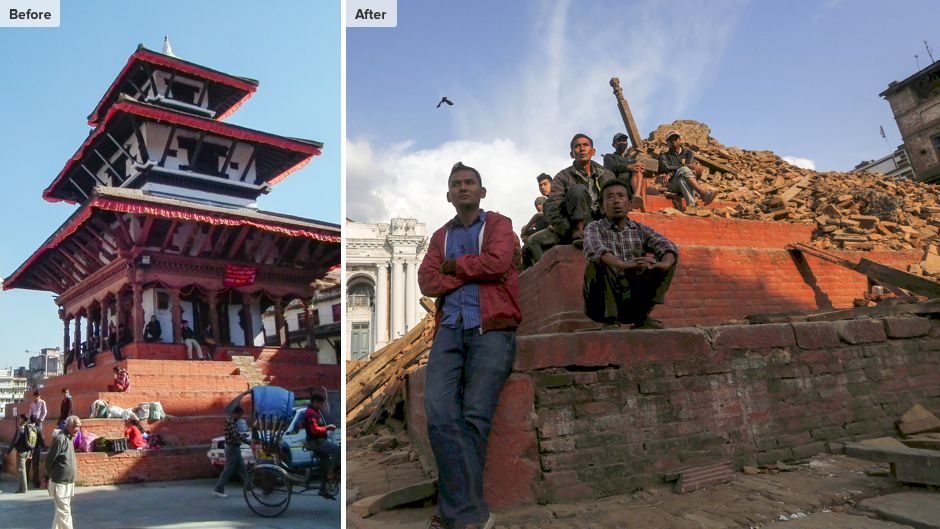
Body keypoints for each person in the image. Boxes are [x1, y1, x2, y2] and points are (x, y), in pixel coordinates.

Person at [418, 162, 521, 529]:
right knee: (439, 410)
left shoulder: (498, 225)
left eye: (469, 183)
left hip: (491, 327)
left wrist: (454, 268)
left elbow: (498, 262)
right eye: (456, 184)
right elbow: (426, 281)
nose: (463, 188)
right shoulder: (439, 237)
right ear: (448, 195)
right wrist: (465, 272)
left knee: (476, 416)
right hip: (450, 327)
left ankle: (459, 515)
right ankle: (471, 513)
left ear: (482, 191)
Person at [583, 179, 679, 329]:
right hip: (601, 304)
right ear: (602, 207)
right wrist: (625, 265)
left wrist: (663, 264)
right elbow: (595, 249)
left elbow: (667, 245)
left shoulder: (641, 230)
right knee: (599, 262)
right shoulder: (594, 227)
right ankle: (610, 320)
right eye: (610, 197)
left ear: (629, 204)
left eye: (621, 196)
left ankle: (642, 318)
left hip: (633, 298)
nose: (616, 201)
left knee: (669, 257)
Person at [525, 134, 616, 267]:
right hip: (573, 227)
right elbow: (553, 207)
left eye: (585, 145)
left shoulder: (607, 175)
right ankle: (578, 234)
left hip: (602, 223)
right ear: (572, 153)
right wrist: (566, 230)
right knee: (577, 190)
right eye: (577, 146)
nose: (582, 149)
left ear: (593, 151)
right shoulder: (562, 177)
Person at [658, 130, 716, 209]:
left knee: (683, 178)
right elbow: (666, 167)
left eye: (675, 138)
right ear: (667, 142)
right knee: (684, 169)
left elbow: (689, 170)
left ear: (680, 140)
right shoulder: (664, 155)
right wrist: (685, 166)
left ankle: (692, 205)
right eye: (670, 140)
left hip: (687, 182)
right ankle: (702, 193)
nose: (673, 141)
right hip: (672, 185)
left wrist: (671, 173)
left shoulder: (689, 153)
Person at [45, 415, 81, 529]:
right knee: (65, 513)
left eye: (79, 427)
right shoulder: (60, 438)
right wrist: (46, 476)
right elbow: (50, 459)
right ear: (68, 426)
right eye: (75, 427)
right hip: (59, 482)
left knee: (60, 512)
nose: (77, 430)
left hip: (68, 483)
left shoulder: (70, 437)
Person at [302, 393, 339, 499]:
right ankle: (331, 473)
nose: (322, 406)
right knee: (338, 450)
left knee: (325, 466)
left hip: (319, 441)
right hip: (316, 442)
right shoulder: (310, 413)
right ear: (315, 402)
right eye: (321, 403)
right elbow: (314, 430)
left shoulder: (315, 412)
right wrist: (327, 428)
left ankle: (323, 490)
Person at [603, 132, 647, 210]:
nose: (622, 142)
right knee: (637, 171)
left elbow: (637, 168)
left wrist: (642, 167)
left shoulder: (631, 159)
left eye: (624, 141)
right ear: (613, 145)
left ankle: (638, 199)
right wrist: (628, 167)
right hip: (619, 181)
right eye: (619, 141)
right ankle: (640, 203)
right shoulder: (609, 156)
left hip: (632, 184)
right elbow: (612, 167)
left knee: (639, 173)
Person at [213, 406, 248, 498]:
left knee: (242, 469)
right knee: (228, 470)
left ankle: (249, 488)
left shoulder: (232, 422)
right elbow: (235, 436)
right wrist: (245, 440)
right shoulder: (230, 422)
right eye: (239, 415)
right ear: (235, 413)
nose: (240, 417)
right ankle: (218, 489)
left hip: (235, 448)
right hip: (232, 448)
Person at [9, 414, 36, 493]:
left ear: (22, 419)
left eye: (20, 418)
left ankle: (23, 489)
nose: (19, 420)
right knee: (23, 469)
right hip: (28, 451)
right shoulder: (30, 428)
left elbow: (15, 440)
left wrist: (9, 450)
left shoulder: (21, 428)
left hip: (21, 452)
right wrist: (31, 452)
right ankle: (21, 488)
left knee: (21, 470)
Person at [30, 415, 47, 488]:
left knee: (27, 466)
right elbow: (42, 439)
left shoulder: (28, 428)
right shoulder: (38, 429)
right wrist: (43, 446)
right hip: (36, 448)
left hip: (28, 448)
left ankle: (27, 480)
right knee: (35, 466)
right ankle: (35, 482)